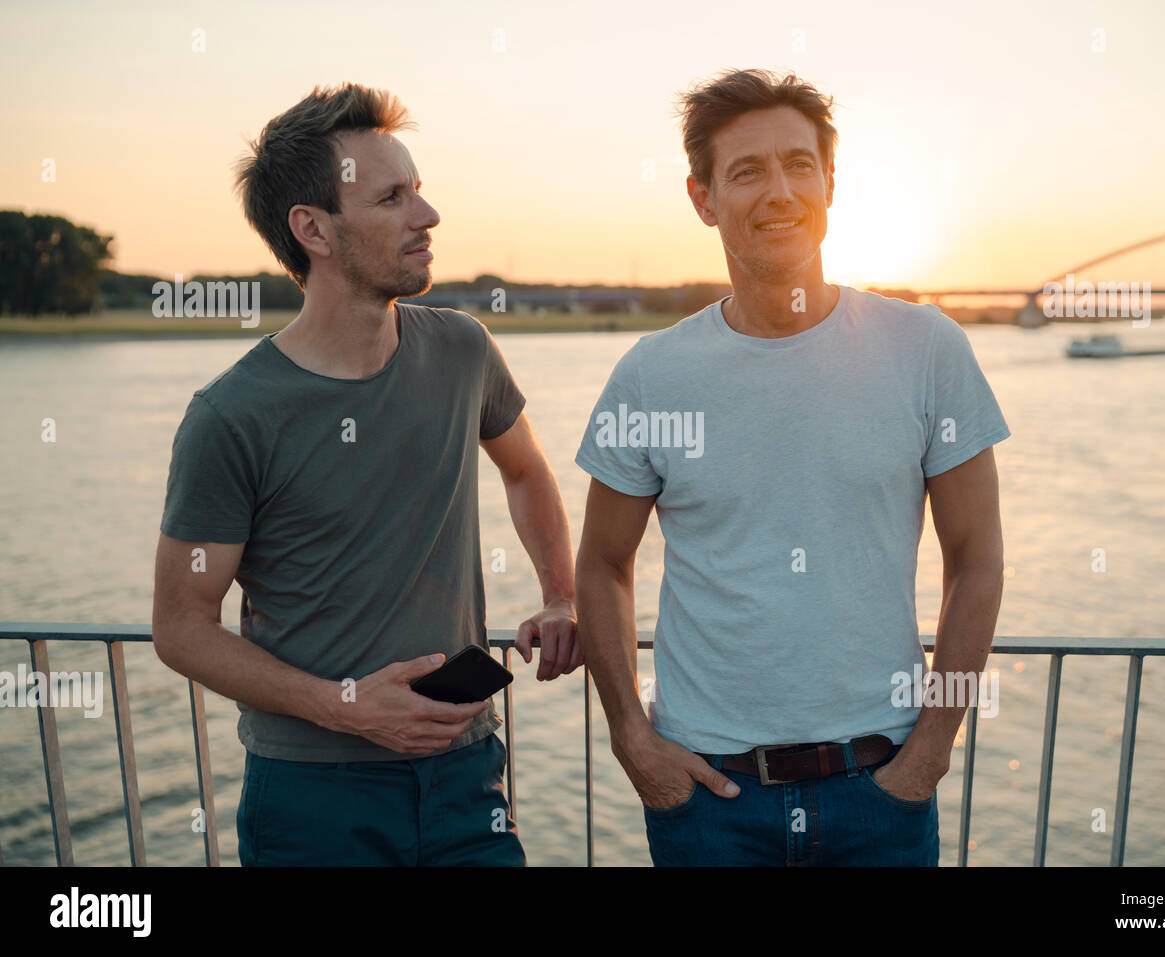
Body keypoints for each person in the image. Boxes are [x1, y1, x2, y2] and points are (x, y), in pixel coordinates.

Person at [574, 69, 1010, 866]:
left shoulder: (926, 350)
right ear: (703, 199)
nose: (780, 190)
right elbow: (601, 564)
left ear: (831, 183)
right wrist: (633, 740)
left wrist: (931, 753)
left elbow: (976, 561)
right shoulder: (651, 374)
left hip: (881, 787)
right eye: (746, 171)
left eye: (798, 164)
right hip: (707, 797)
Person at [152, 83, 580, 866]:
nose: (428, 215)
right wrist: (345, 708)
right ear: (313, 228)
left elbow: (526, 471)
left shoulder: (462, 351)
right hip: (315, 799)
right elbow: (181, 625)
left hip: (466, 774)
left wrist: (560, 592)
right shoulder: (231, 415)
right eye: (392, 197)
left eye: (417, 189)